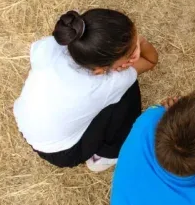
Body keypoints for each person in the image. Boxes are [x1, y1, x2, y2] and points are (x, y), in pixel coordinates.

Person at [13, 9, 158, 172]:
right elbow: (150, 60)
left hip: (25, 123)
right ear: (100, 69)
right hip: (62, 152)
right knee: (128, 90)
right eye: (130, 55)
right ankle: (106, 156)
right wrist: (141, 42)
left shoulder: (52, 45)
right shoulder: (106, 84)